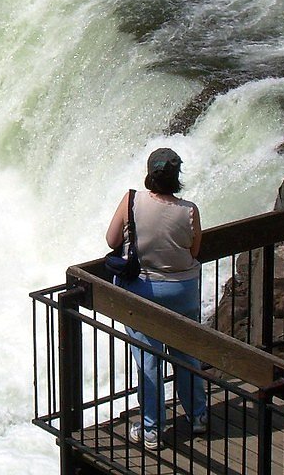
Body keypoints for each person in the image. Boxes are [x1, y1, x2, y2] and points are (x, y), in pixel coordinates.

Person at [105, 147, 208, 451]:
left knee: (149, 357)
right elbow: (194, 251)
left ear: (150, 173)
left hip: (143, 291)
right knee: (186, 352)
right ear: (177, 178)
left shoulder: (132, 200)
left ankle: (151, 429)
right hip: (183, 291)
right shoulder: (189, 210)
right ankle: (198, 416)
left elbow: (111, 240)